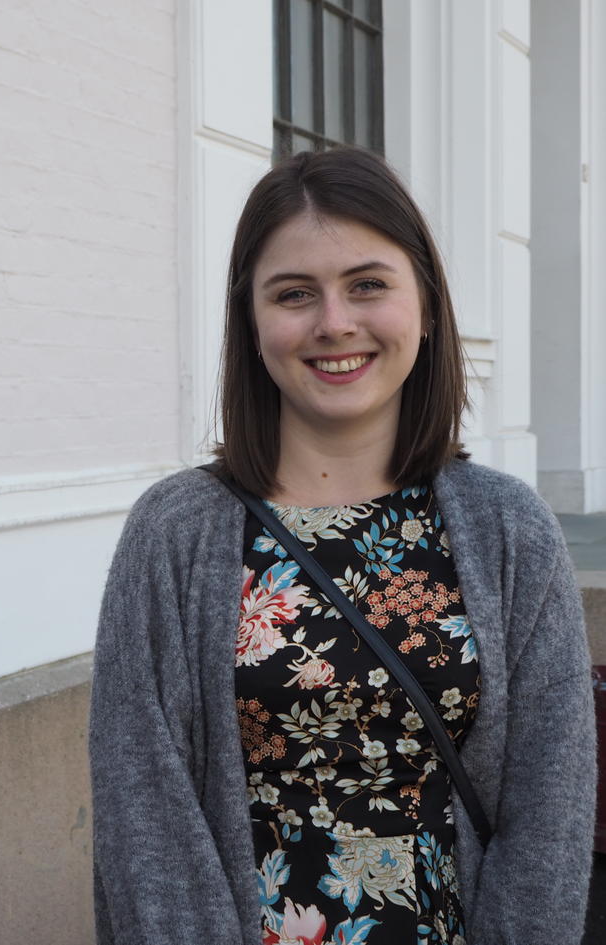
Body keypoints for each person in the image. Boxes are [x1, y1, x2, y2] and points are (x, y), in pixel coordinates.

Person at [89, 147, 595, 944]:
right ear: (252, 323)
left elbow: (552, 816)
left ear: (426, 306)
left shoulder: (510, 531)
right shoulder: (173, 534)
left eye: (367, 284)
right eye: (295, 294)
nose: (334, 322)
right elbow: (142, 815)